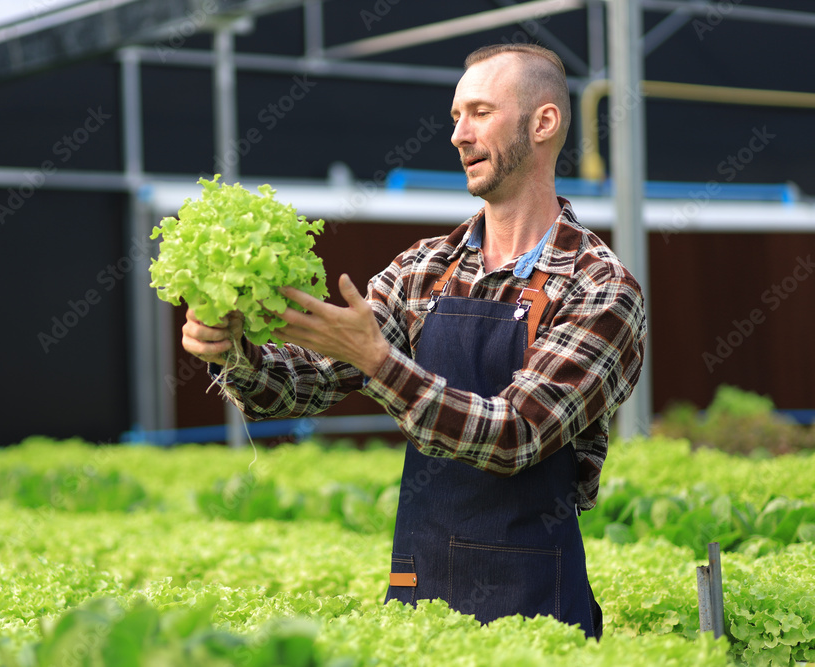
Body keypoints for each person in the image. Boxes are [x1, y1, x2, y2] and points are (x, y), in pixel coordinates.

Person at [181, 43, 647, 640]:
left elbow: (516, 435)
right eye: (455, 116)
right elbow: (308, 382)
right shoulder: (424, 268)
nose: (458, 134)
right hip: (416, 596)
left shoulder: (600, 288)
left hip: (535, 611)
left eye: (479, 112)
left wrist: (378, 360)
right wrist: (236, 354)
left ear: (544, 123)